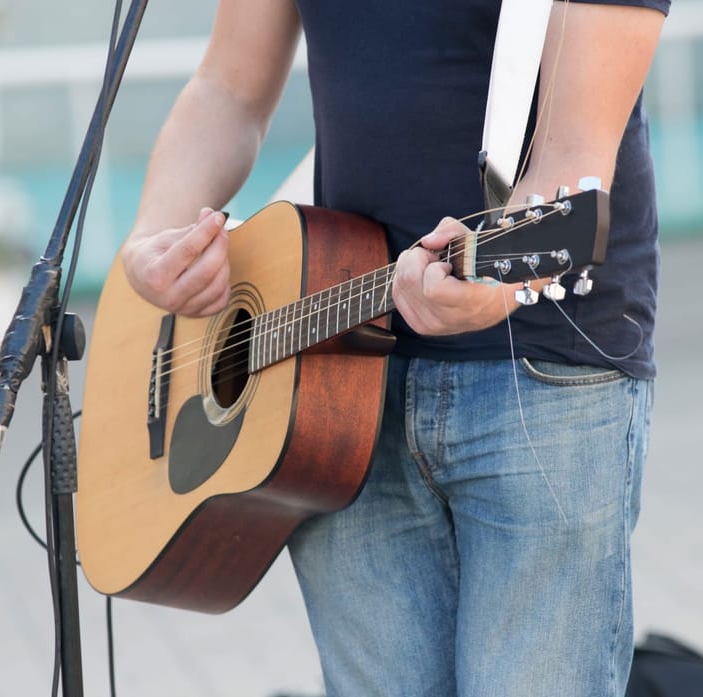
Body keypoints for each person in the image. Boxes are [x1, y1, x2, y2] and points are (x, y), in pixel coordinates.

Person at [121, 1, 669, 695]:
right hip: (331, 388)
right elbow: (227, 88)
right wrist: (153, 240)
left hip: (541, 368)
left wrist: (494, 286)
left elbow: (573, 160)